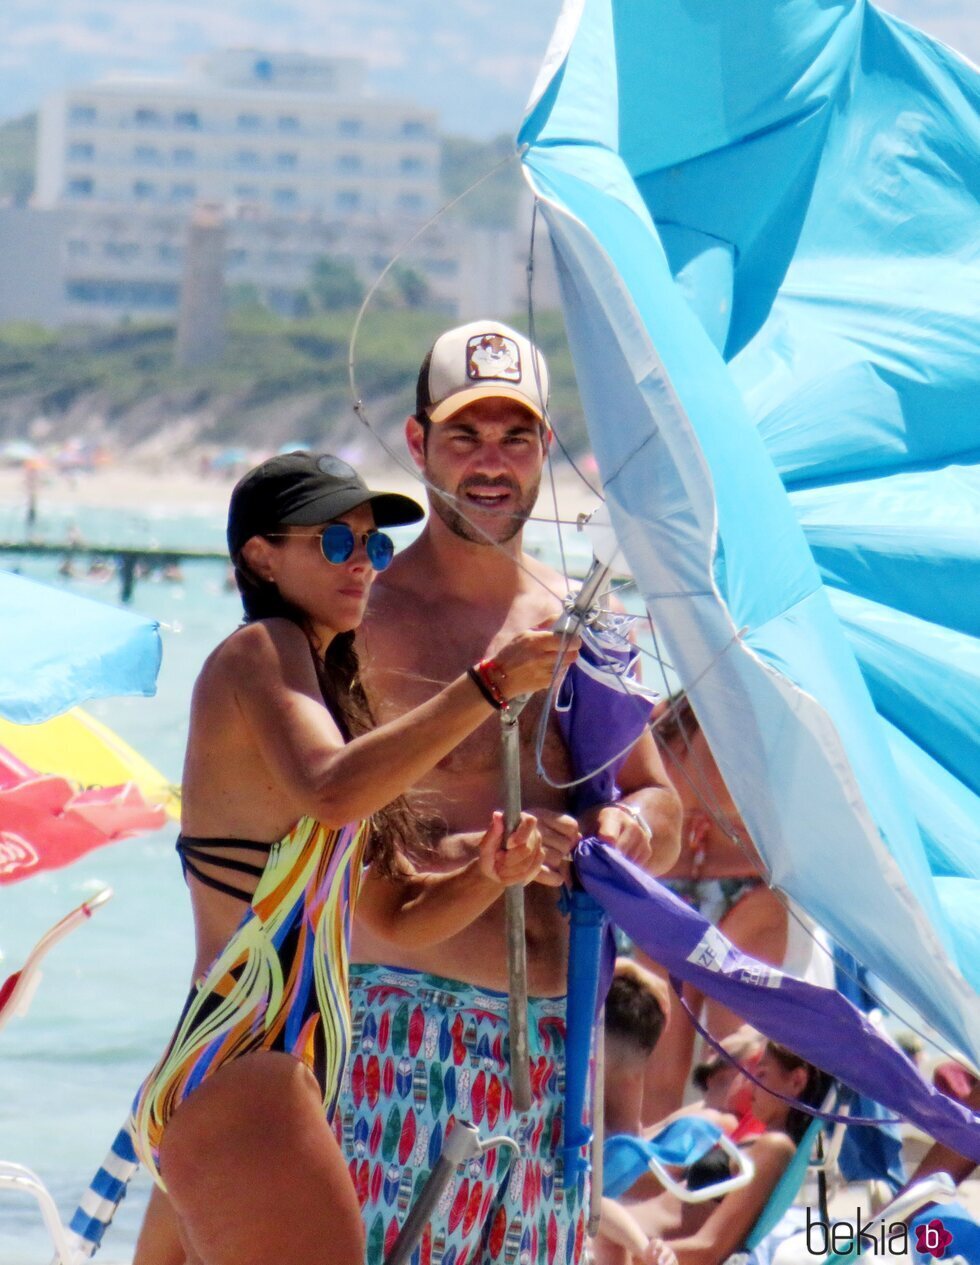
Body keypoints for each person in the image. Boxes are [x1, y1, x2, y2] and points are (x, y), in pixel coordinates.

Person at [129, 450, 579, 1265]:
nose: (366, 565)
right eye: (336, 543)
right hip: (249, 1064)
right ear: (262, 556)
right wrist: (490, 685)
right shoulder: (258, 652)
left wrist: (489, 869)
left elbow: (394, 913)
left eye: (373, 546)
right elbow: (332, 790)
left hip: (253, 1073)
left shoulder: (328, 696)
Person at [342, 319, 683, 1264]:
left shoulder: (585, 617)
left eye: (516, 437)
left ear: (545, 447)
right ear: (417, 445)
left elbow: (661, 798)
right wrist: (480, 854)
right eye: (465, 436)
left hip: (554, 1036)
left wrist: (625, 826)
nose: (492, 464)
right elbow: (339, 830)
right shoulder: (368, 622)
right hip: (406, 1020)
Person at [636, 696, 790, 1123]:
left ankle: (716, 1181)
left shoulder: (671, 722)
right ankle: (669, 1183)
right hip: (684, 888)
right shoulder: (667, 717)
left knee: (733, 1062)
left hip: (731, 889)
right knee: (667, 1069)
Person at [602, 1042, 832, 1265]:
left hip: (631, 1248)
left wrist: (638, 1255)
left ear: (797, 1080)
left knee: (589, 1201)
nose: (750, 1086)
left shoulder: (775, 1147)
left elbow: (709, 1249)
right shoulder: (760, 1141)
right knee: (590, 1201)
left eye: (761, 1075)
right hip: (622, 1237)